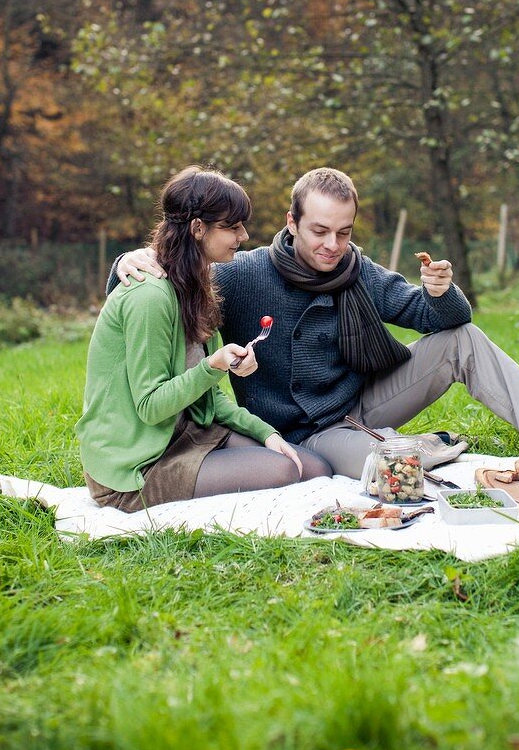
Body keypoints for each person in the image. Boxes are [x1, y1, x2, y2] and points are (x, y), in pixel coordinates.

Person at [109, 166, 519, 480]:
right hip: (304, 429)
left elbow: (441, 321)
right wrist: (127, 263)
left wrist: (441, 292)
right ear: (291, 223)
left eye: (344, 232)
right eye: (318, 230)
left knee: (463, 339)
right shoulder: (243, 274)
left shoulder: (358, 271)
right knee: (393, 471)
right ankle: (417, 447)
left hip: (360, 402)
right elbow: (167, 291)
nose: (331, 246)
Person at [78, 166, 331, 512]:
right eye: (232, 226)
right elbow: (150, 407)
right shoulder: (150, 297)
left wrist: (265, 432)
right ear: (198, 228)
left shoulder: (197, 285)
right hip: (136, 465)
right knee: (285, 469)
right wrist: (213, 365)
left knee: (316, 469)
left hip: (187, 434)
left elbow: (207, 398)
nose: (243, 235)